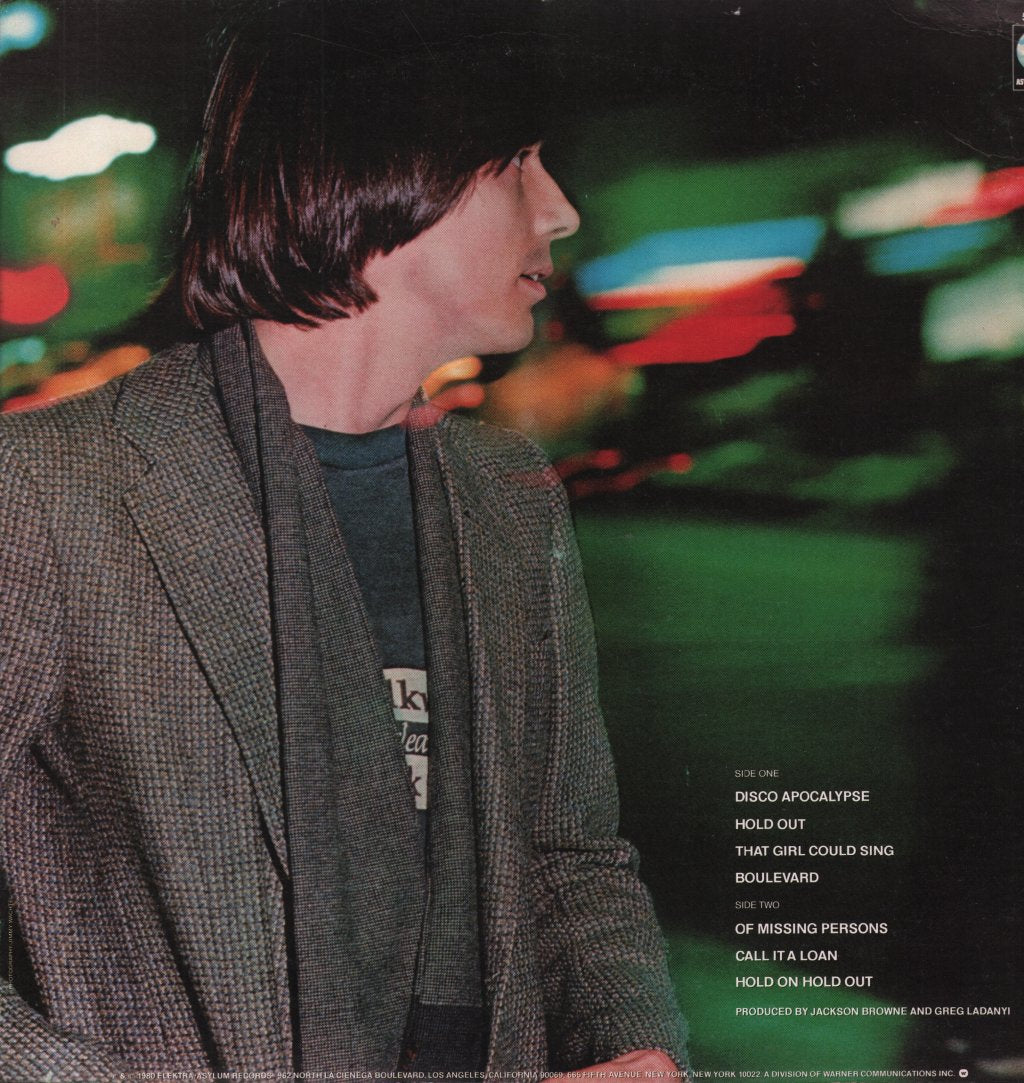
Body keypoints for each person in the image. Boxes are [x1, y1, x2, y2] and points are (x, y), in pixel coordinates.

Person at [0, 3, 688, 1079]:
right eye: (519, 166)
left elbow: (568, 856)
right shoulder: (52, 488)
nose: (559, 211)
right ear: (383, 169)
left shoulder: (509, 497)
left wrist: (635, 1045)